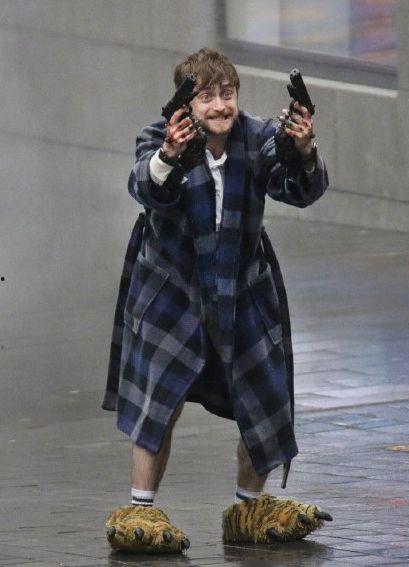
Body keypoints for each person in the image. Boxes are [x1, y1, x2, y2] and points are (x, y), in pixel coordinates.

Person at [102, 48, 332, 554]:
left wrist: (303, 150)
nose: (220, 105)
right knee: (157, 399)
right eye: (206, 96)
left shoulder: (258, 137)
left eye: (227, 93)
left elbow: (300, 189)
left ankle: (248, 507)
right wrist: (168, 155)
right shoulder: (160, 137)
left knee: (265, 394)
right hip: (172, 289)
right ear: (187, 103)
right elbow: (144, 186)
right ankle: (140, 507)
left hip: (243, 287)